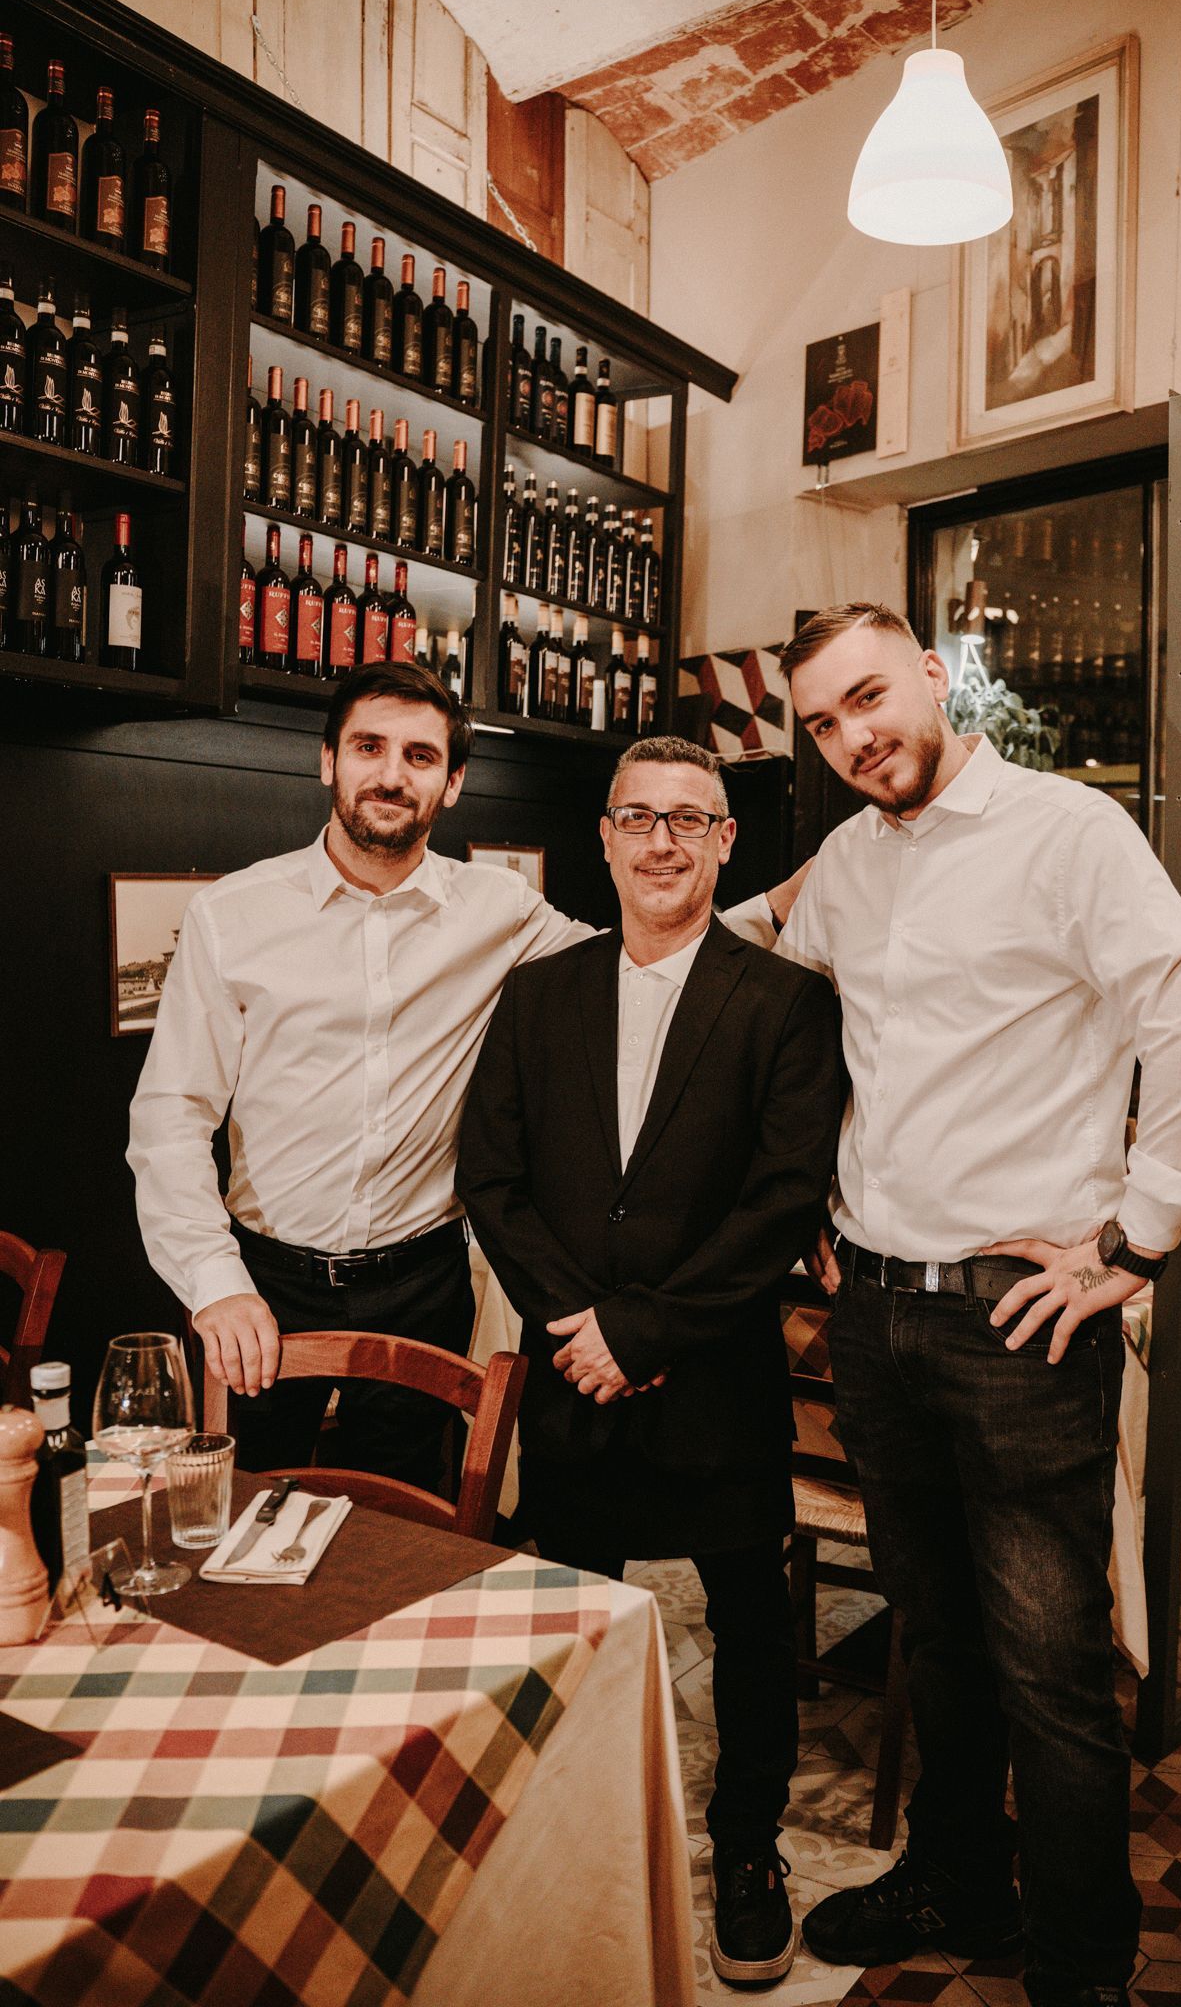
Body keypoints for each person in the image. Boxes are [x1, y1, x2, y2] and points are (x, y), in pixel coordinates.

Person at [773, 605, 1181, 2007]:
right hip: (871, 1309)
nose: (854, 736)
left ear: (932, 674)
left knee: (1049, 1667)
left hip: (1017, 1324)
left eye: (869, 697)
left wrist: (1140, 1238)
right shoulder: (847, 866)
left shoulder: (1066, 833)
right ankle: (961, 1882)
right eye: (821, 722)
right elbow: (783, 1004)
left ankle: (1081, 1963)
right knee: (937, 1638)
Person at [127, 665, 797, 1491]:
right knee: (239, 1527)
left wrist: (794, 895)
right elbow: (170, 1118)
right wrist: (215, 1284)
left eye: (419, 755)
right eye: (368, 747)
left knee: (407, 1529)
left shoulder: (503, 910)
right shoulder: (231, 915)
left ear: (452, 783)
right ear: (327, 761)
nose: (390, 773)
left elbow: (652, 953)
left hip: (423, 1287)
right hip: (262, 1290)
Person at [456, 735, 843, 1987]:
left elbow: (783, 1200)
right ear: (607, 838)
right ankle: (568, 1833)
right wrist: (585, 1330)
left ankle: (747, 1853)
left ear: (729, 841)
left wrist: (650, 1331)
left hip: (715, 1383)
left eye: (693, 819)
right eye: (640, 817)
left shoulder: (786, 1000)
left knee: (749, 1625)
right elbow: (492, 1180)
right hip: (574, 1380)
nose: (664, 840)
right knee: (570, 1621)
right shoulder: (537, 994)